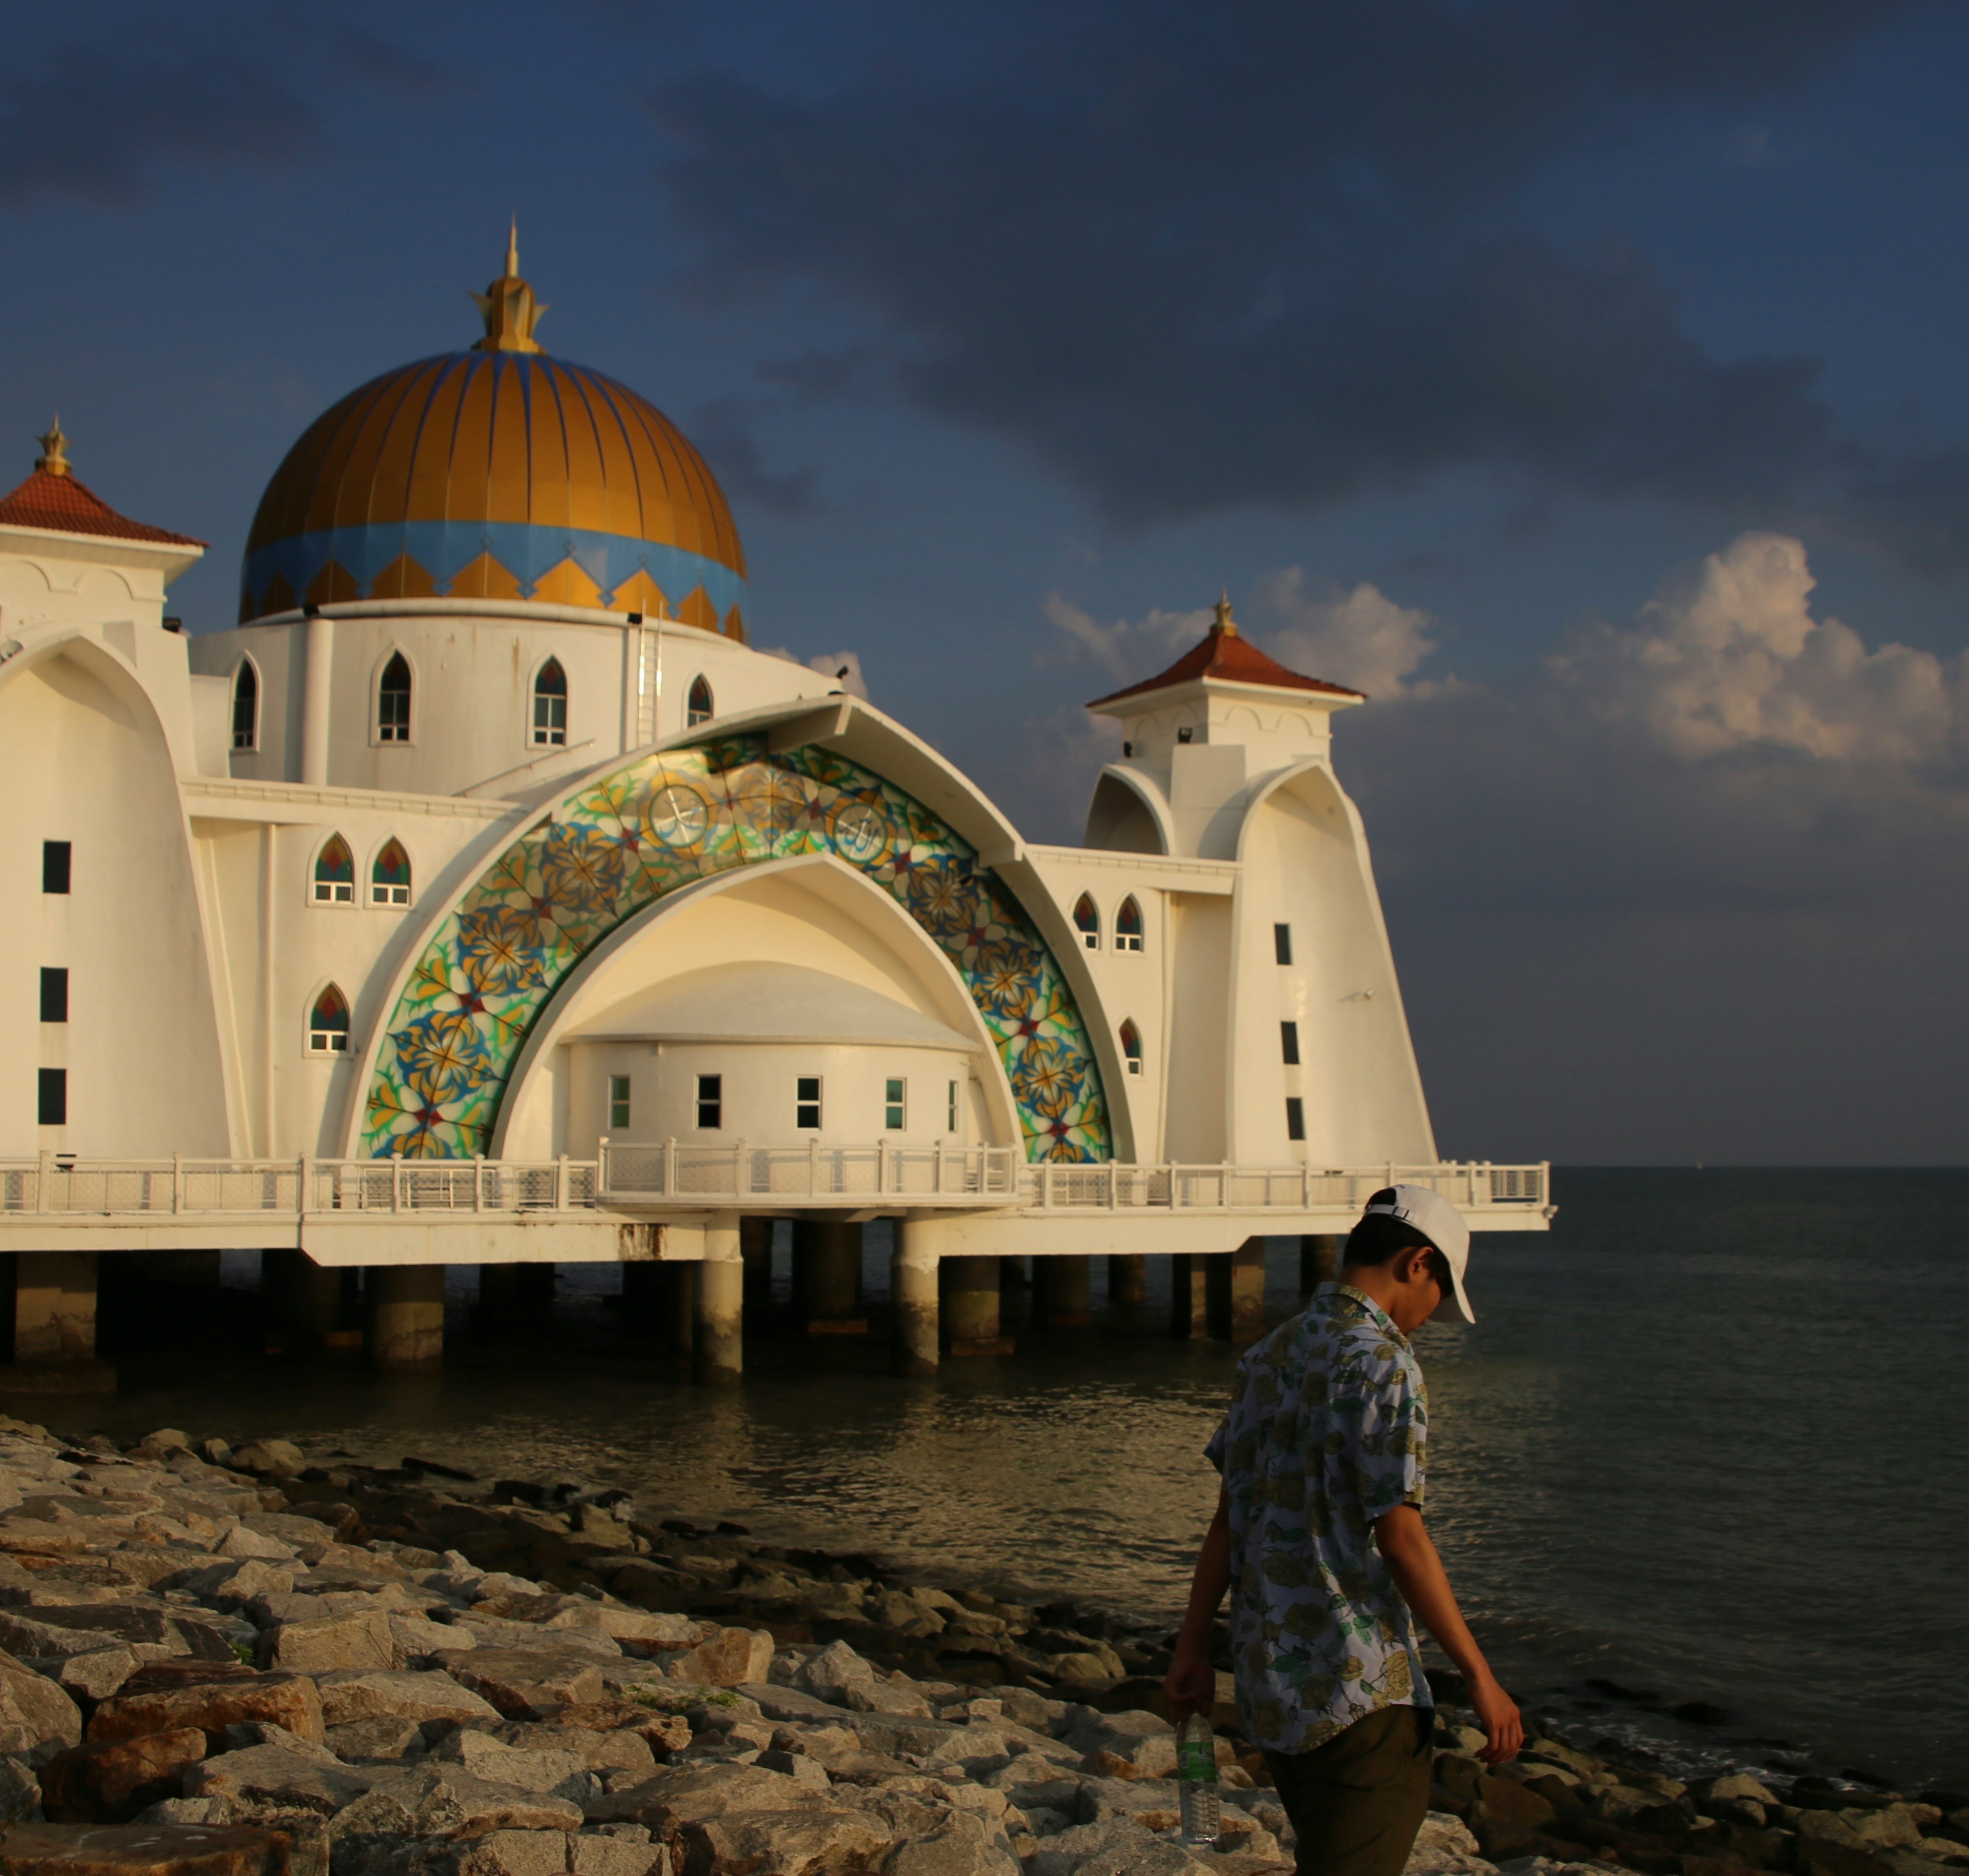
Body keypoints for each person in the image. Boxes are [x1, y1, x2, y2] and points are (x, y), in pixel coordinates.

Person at [1164, 1186, 1522, 1876]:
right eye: (1438, 1295)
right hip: (1361, 1691)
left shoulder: (1268, 1353)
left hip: (1276, 1690)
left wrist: (1191, 1648)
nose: (1429, 1318)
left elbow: (1227, 1519)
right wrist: (1480, 1676)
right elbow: (1402, 1537)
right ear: (1417, 1262)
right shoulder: (1385, 1363)